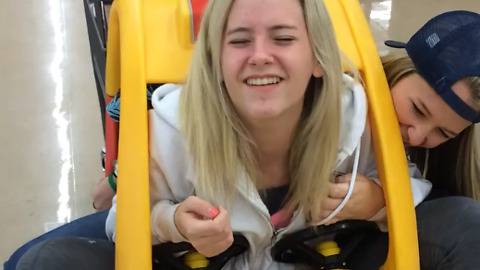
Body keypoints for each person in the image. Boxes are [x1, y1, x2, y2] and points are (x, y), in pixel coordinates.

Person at [15, 0, 410, 269]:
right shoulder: (171, 131)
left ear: (318, 60)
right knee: (40, 259)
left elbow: (412, 189)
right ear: (215, 63)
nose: (259, 55)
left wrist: (377, 200)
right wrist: (174, 222)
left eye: (284, 38)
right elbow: (122, 222)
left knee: (459, 218)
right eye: (239, 41)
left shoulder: (353, 117)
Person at [321, 10, 480, 270]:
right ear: (398, 70)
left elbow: (423, 188)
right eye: (417, 109)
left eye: (443, 133)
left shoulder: (415, 166)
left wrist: (381, 201)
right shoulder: (336, 97)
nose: (417, 135)